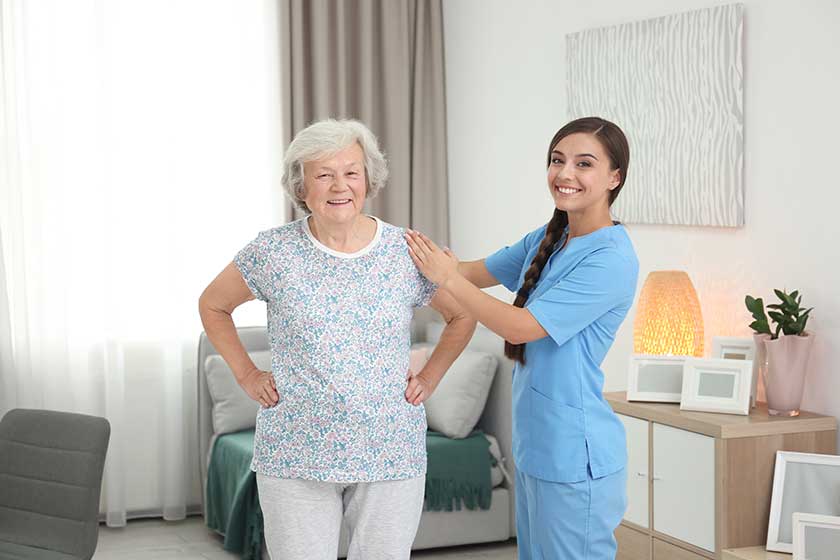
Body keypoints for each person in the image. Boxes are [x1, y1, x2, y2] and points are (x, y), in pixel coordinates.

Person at [198, 118, 475, 560]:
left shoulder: (406, 250)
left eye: (351, 171)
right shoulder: (272, 252)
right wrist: (247, 374)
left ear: (368, 180)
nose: (339, 185)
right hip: (295, 452)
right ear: (301, 186)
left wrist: (433, 374)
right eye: (323, 174)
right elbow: (213, 305)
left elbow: (462, 312)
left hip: (389, 450)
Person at [405, 116, 639, 560]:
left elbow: (518, 326)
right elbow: (470, 271)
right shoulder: (551, 237)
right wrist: (390, 252)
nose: (565, 174)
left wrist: (448, 281)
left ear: (614, 177)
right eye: (557, 160)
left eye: (583, 163)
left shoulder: (612, 259)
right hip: (537, 446)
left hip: (575, 455)